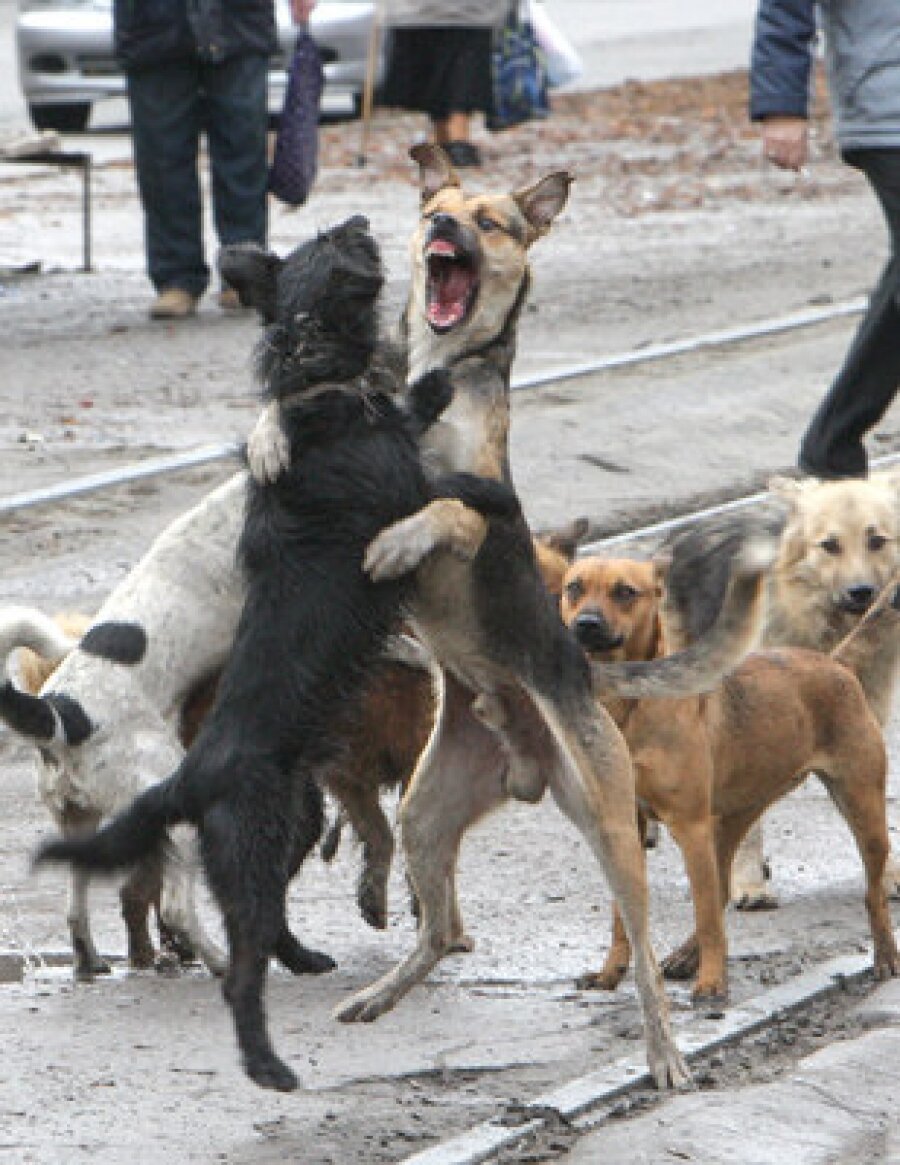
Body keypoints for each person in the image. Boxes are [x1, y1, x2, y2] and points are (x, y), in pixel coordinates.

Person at [750, 0, 900, 479]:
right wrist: (781, 108)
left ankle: (832, 449)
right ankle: (832, 445)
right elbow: (784, 8)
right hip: (888, 112)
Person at [114, 0, 315, 320]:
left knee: (243, 151)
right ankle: (176, 277)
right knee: (162, 157)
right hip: (153, 26)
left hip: (239, 21)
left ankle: (243, 272)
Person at [380, 1, 509, 168]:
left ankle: (448, 140)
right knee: (463, 69)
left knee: (433, 72)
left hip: (418, 13)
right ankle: (456, 140)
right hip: (471, 13)